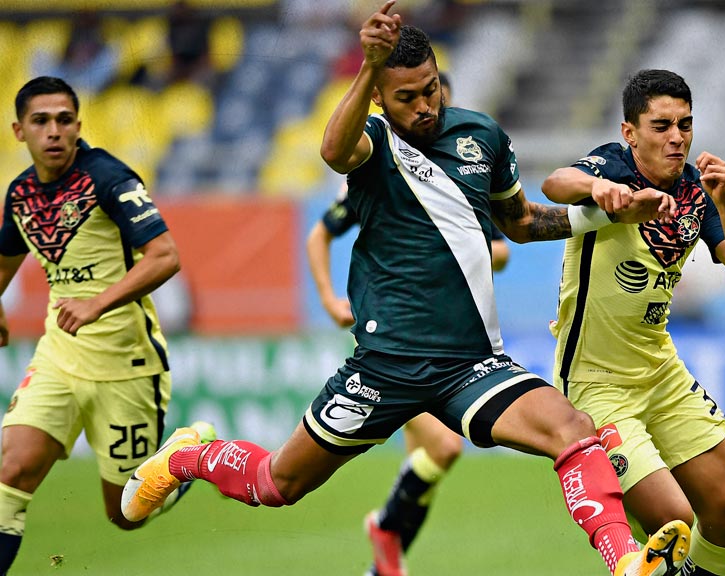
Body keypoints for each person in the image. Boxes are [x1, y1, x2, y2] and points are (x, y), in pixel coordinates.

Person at [123, 4, 688, 576]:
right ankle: (189, 458)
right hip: (386, 365)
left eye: (429, 91)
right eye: (406, 97)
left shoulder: (482, 136)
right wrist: (367, 66)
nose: (423, 106)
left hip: (470, 363)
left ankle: (625, 562)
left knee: (573, 430)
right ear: (377, 98)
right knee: (277, 483)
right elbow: (332, 152)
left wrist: (608, 215)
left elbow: (520, 222)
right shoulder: (370, 142)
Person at [542, 69, 725, 576]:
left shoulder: (696, 190)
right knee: (673, 519)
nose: (677, 137)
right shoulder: (613, 166)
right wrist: (599, 189)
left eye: (685, 125)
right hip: (597, 384)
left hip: (660, 371)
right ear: (630, 133)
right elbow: (554, 183)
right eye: (661, 125)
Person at [0, 76, 211, 575]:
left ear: (78, 126)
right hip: (58, 358)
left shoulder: (109, 179)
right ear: (18, 131)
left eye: (64, 120)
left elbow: (165, 256)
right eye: (41, 121)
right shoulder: (21, 194)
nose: (54, 131)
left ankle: (183, 460)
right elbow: (4, 262)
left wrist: (98, 303)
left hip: (126, 365)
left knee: (125, 514)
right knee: (9, 474)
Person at [306, 175, 508, 576]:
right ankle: (384, 529)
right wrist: (329, 299)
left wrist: (454, 241)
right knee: (446, 448)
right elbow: (319, 236)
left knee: (431, 459)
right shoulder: (377, 176)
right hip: (395, 343)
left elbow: (501, 251)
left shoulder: (461, 178)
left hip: (451, 344)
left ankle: (384, 558)